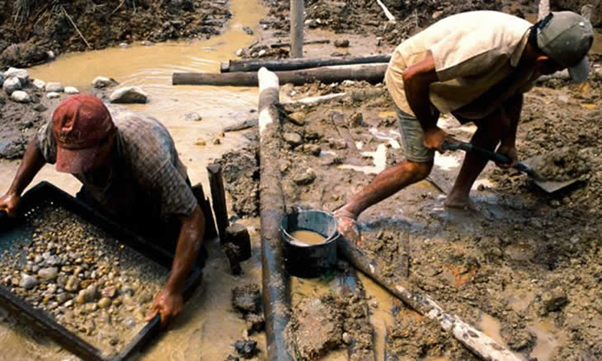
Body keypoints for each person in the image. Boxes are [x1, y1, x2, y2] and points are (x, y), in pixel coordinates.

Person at [334, 11, 594, 245]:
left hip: (462, 82)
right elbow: (414, 76)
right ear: (545, 62)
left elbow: (514, 93)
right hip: (414, 79)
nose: (558, 71)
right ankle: (347, 211)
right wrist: (429, 129)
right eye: (560, 68)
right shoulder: (488, 49)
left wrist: (509, 142)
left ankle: (458, 196)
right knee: (418, 166)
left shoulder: (535, 49)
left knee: (497, 124)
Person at [0, 94, 205, 327]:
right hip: (103, 189)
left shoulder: (148, 158)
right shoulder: (62, 131)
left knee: (185, 261)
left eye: (84, 158)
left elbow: (193, 218)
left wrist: (173, 289)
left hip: (152, 199)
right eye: (72, 158)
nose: (79, 166)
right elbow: (38, 145)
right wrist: (14, 191)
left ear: (109, 139)